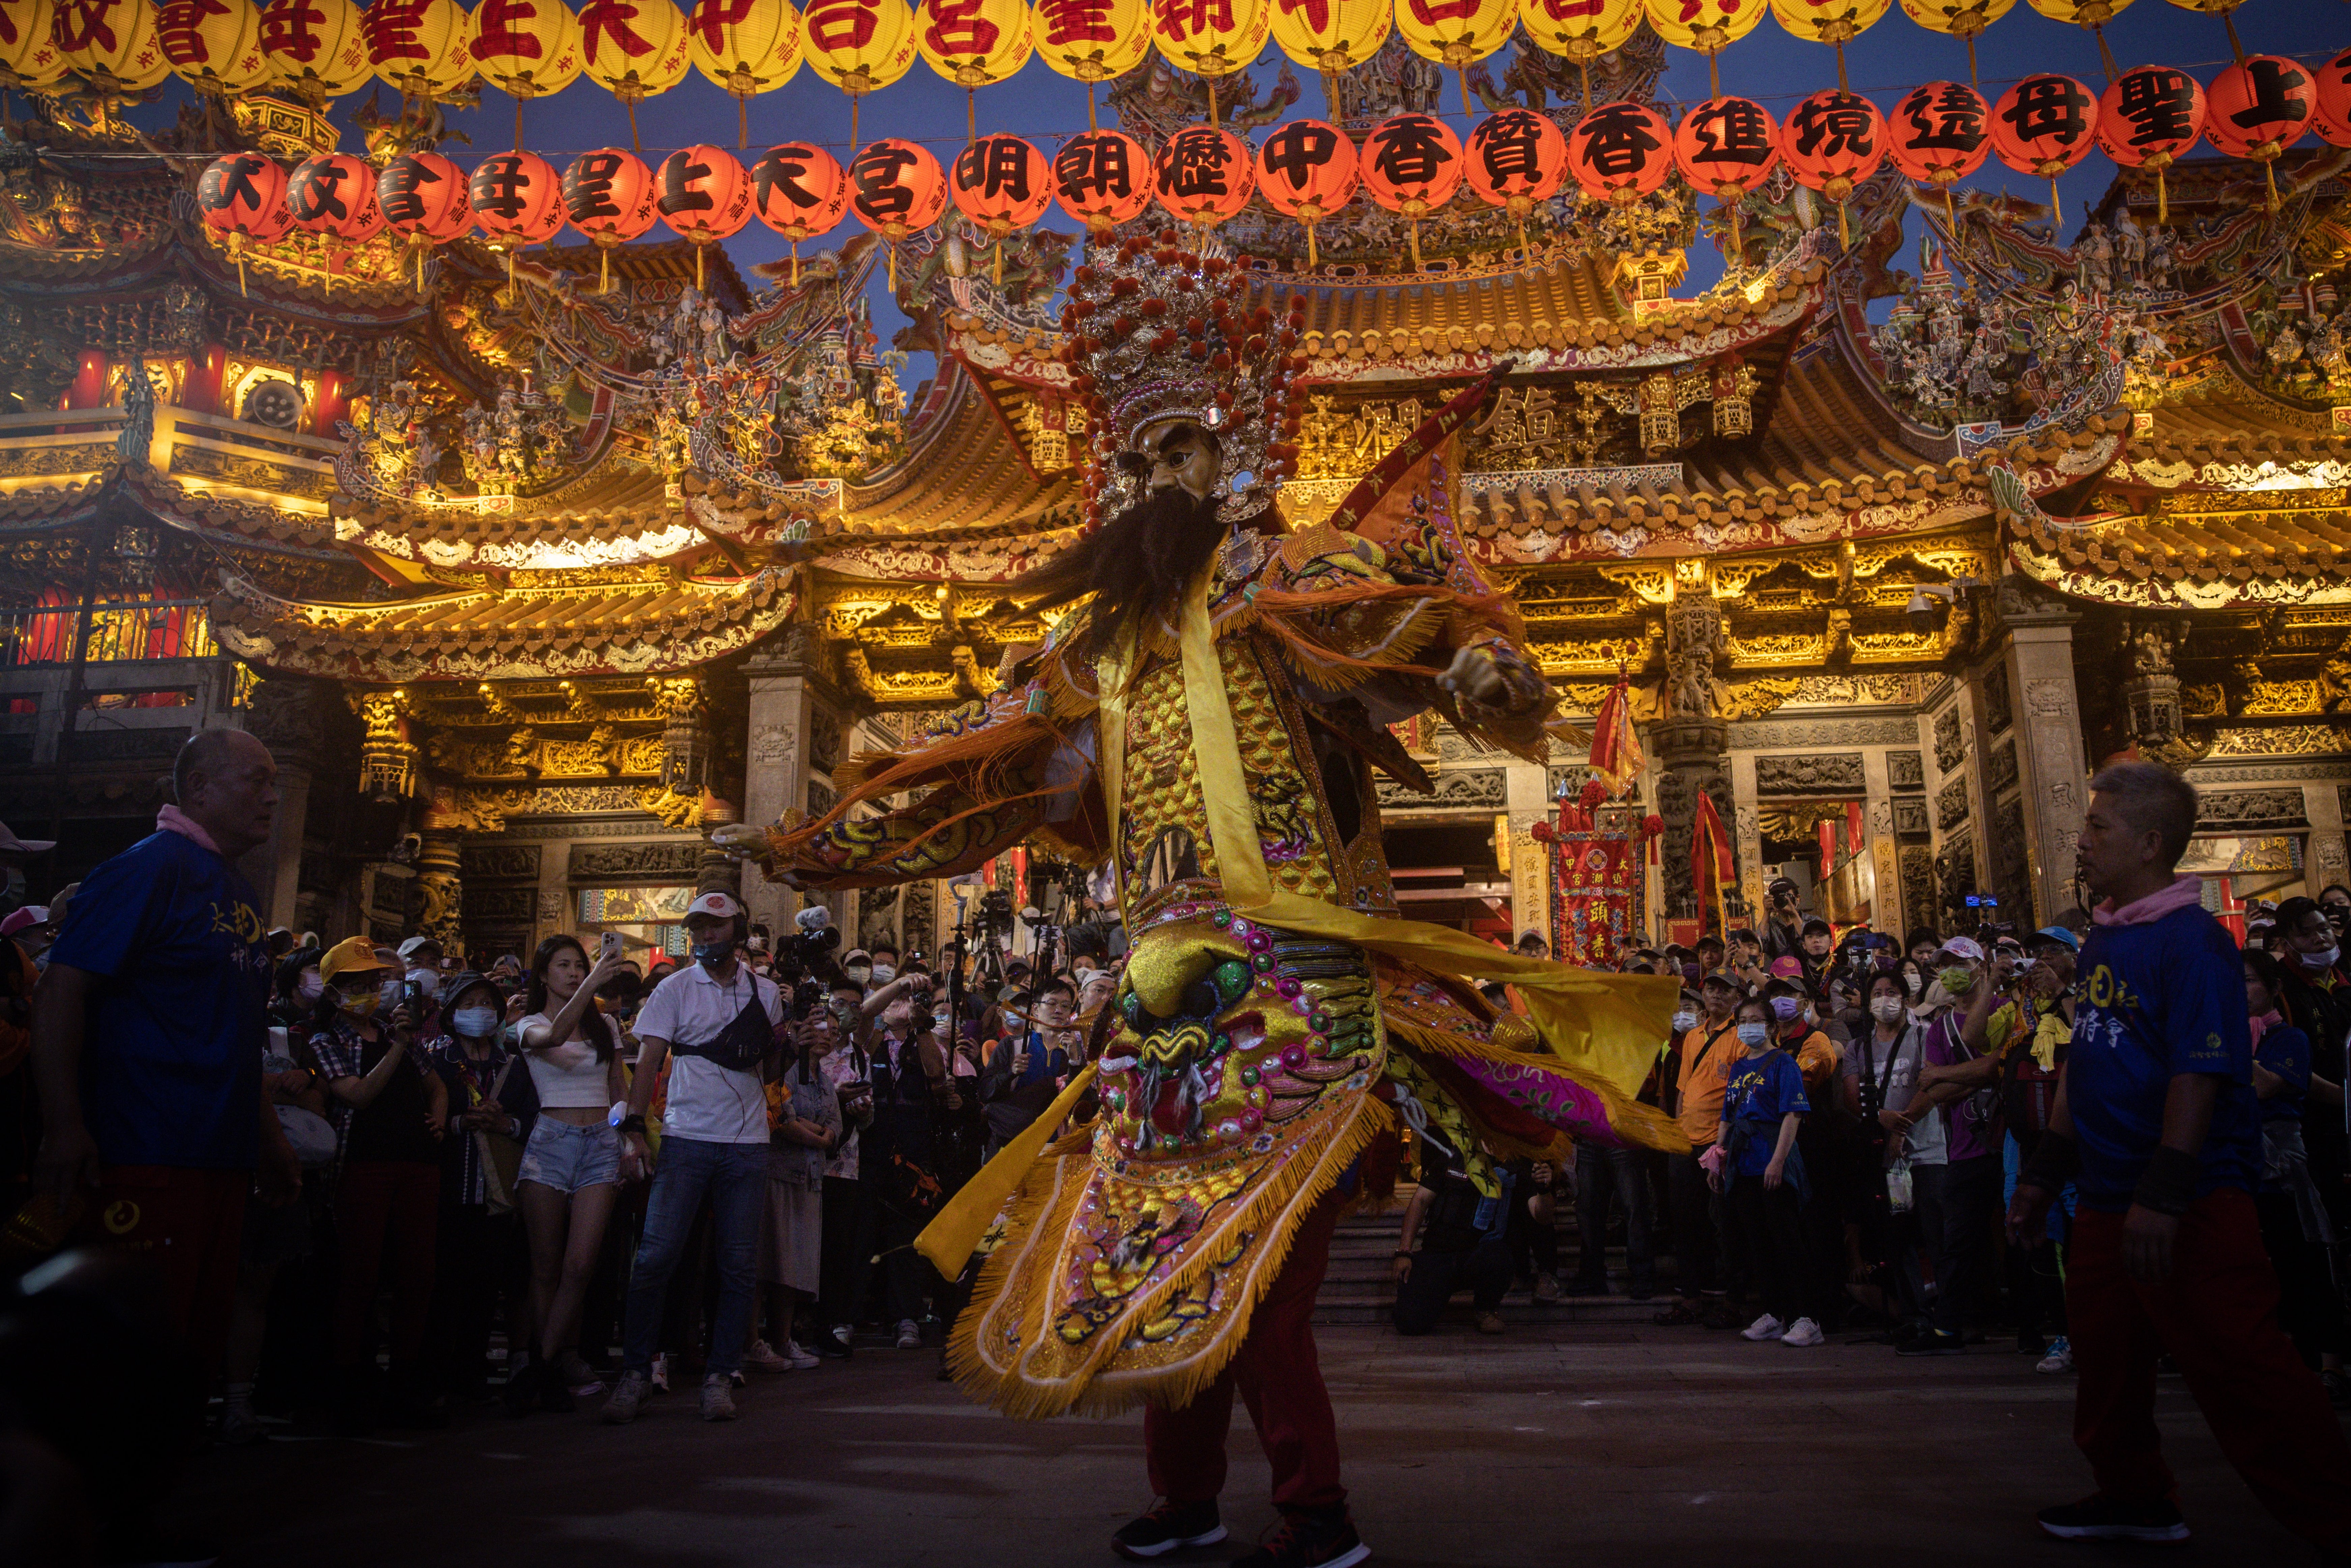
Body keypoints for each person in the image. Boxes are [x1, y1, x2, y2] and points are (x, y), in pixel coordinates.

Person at [717, 264, 1677, 1568]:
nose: (1159, 472)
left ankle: (1313, 1506)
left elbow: (1402, 647)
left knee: (1265, 1271)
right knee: (1161, 1248)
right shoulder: (1092, 653)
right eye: (1139, 453)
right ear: (1110, 478)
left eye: (1186, 447)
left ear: (1232, 460)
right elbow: (978, 776)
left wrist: (1475, 678)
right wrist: (809, 846)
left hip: (1294, 981)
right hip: (1160, 999)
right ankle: (1183, 1496)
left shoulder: (1285, 587)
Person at [2010, 762, 2351, 1551]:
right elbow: (2084, 1059)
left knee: (2239, 1362)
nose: (2082, 841)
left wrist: (2163, 1193)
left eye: (2098, 829)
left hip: (2189, 1198)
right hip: (2101, 1190)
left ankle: (2331, 1514)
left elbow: (2196, 1071)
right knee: (2105, 1356)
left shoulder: (2192, 943)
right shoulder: (2101, 934)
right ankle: (2131, 1493)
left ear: (2149, 841)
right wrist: (2042, 1172)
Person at [29, 733, 296, 1441]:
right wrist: (64, 1125)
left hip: (219, 1156)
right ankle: (103, 1523)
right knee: (133, 1344)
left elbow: (236, 1035)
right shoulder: (147, 871)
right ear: (200, 789)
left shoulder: (236, 890)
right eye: (257, 780)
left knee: (190, 1345)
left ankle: (154, 1504)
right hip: (146, 1147)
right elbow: (62, 989)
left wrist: (267, 1142)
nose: (273, 796)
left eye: (275, 782)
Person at [603, 892, 783, 1425]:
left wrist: (792, 1038)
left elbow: (770, 1071)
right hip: (685, 1138)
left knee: (737, 1264)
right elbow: (648, 1062)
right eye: (698, 928)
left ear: (739, 930)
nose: (707, 937)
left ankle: (719, 1375)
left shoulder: (765, 991)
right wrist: (634, 1128)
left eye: (716, 927)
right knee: (656, 1256)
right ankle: (636, 1372)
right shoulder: (675, 989)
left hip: (747, 1143)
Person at [304, 935, 447, 1430]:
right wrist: (400, 1047)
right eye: (358, 984)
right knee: (359, 1275)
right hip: (365, 1167)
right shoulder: (328, 1040)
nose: (370, 990)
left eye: (375, 981)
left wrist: (439, 1117)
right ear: (333, 992)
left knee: (417, 1274)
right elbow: (358, 1095)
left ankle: (404, 1379)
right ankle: (349, 1383)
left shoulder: (393, 1032)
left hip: (418, 1166)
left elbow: (436, 1082)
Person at [507, 934, 630, 1413]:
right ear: (543, 975)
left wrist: (626, 1134)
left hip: (600, 1141)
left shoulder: (604, 1028)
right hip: (550, 1143)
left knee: (581, 1264)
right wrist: (595, 985)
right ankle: (553, 1366)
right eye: (564, 966)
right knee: (545, 1265)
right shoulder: (527, 1024)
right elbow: (555, 1036)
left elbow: (618, 1085)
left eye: (580, 966)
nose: (575, 973)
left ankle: (541, 1365)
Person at [423, 971, 536, 1404]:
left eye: (487, 1003)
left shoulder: (513, 1066)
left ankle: (471, 1376)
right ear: (452, 1013)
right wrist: (457, 1122)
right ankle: (436, 1376)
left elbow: (536, 1122)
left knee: (484, 1289)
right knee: (443, 1288)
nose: (480, 1011)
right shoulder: (434, 1061)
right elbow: (421, 1121)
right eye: (469, 1003)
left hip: (497, 1197)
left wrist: (506, 1124)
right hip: (449, 1192)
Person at [2243, 948, 2344, 1372]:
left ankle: (2323, 1365)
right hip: (2243, 1166)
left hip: (2281, 1167)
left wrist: (2224, 1038)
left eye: (2248, 981)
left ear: (2274, 988)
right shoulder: (2235, 1034)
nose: (2239, 990)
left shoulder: (2288, 1039)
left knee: (2301, 1269)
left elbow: (2264, 1087)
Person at [1709, 995, 1824, 1347]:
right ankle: (1774, 1314)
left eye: (1755, 1019)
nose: (1748, 1027)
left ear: (1772, 1027)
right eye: (1742, 1020)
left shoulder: (1783, 1063)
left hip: (1772, 1159)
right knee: (1756, 1242)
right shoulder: (1740, 1066)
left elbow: (1793, 1114)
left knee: (1786, 1240)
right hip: (1742, 1165)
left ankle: (1807, 1318)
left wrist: (1777, 1160)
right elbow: (1727, 1116)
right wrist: (1718, 1156)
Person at [1842, 968, 1938, 1335]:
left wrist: (1901, 1125)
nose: (1885, 999)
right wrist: (1878, 1117)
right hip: (1885, 1161)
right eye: (1877, 993)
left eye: (1892, 991)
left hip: (1925, 1152)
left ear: (1906, 998)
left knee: (1932, 1233)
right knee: (1897, 1237)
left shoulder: (1925, 1036)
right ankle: (1913, 1315)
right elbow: (1853, 1099)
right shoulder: (1858, 1048)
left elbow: (1931, 1086)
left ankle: (1945, 1315)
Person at [748, 1000, 841, 1372]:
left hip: (809, 1178)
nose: (825, 1036)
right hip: (777, 1174)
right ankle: (750, 1340)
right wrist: (817, 1136)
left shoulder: (824, 1079)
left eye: (832, 1031)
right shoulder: (782, 1070)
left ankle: (783, 1339)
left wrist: (820, 1135)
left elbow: (834, 1123)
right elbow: (778, 1118)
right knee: (764, 1261)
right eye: (818, 1027)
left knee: (795, 1265)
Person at [1654, 970, 1742, 1326]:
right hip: (1686, 1142)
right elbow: (1682, 1088)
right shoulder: (1692, 1037)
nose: (1716, 995)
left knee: (1725, 1222)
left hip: (1718, 1142)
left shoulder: (1740, 1035)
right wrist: (1677, 1131)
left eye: (1725, 990)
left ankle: (1733, 1303)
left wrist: (1724, 1143)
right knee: (1685, 1222)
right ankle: (1690, 1298)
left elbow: (1739, 1095)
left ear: (1736, 996)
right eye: (1711, 989)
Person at [1392, 1138, 1513, 1335]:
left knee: (1500, 1256)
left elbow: (1538, 1212)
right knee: (1409, 1324)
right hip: (1438, 1252)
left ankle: (1486, 1310)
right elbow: (1420, 1201)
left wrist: (1544, 1189)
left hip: (1478, 1254)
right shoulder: (1453, 1156)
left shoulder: (1513, 1163)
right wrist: (1404, 1252)